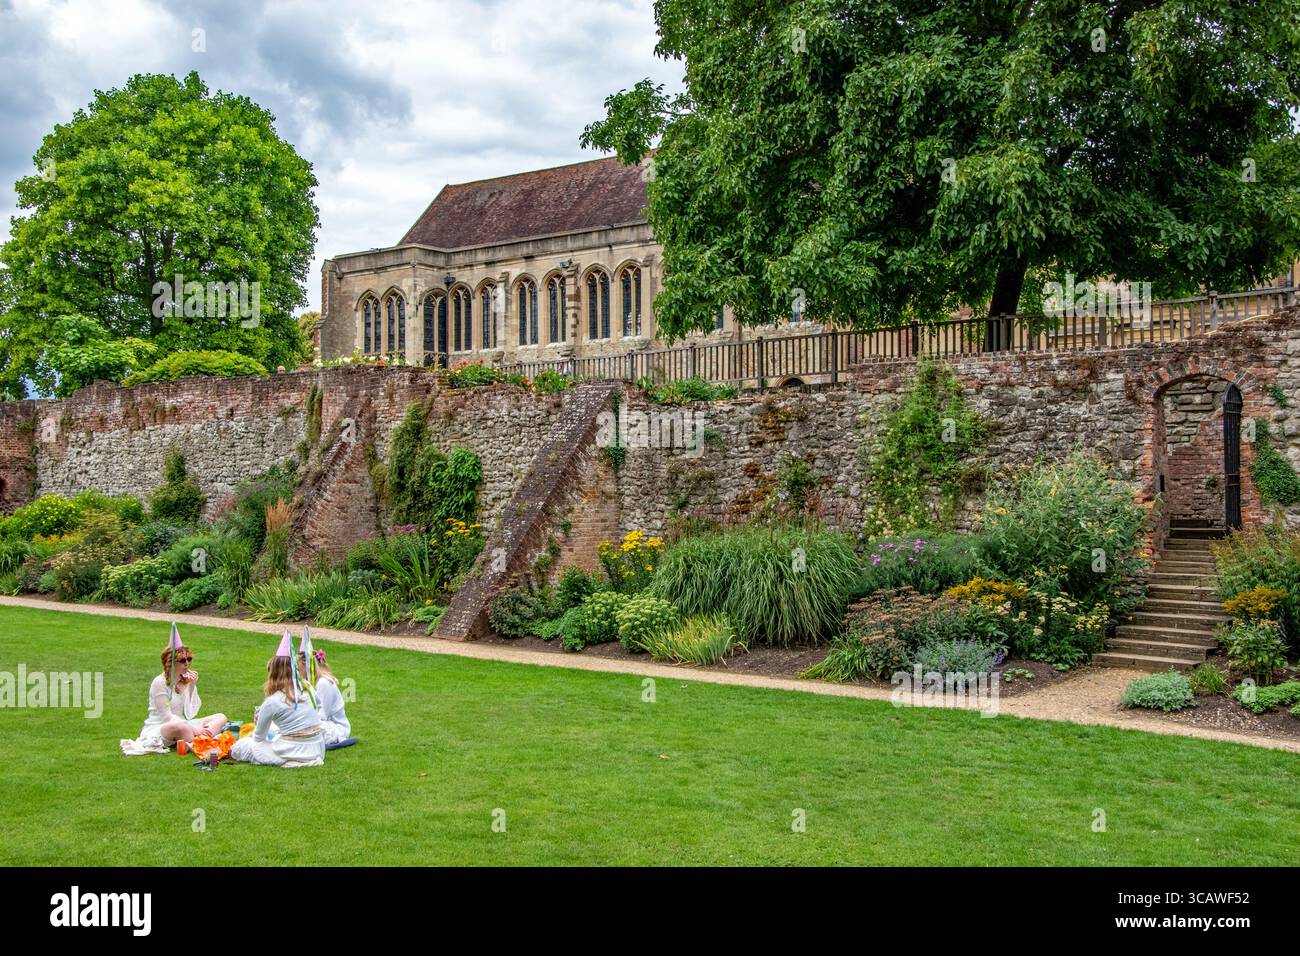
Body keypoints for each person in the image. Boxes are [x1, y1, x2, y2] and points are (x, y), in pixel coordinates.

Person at [230, 633, 325, 768]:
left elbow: (258, 738)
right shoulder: (308, 687)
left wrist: (259, 722)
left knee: (242, 746)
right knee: (274, 733)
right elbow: (317, 708)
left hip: (292, 751)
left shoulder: (273, 701)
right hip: (317, 748)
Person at [139, 625, 227, 748]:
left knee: (220, 717)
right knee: (182, 727)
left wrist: (191, 685)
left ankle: (197, 740)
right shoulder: (159, 683)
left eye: (189, 659)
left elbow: (190, 713)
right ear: (171, 663)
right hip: (163, 726)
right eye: (182, 660)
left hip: (186, 722)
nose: (187, 663)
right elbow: (167, 717)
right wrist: (193, 728)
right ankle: (199, 744)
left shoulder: (184, 679)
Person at [299, 647, 350, 745]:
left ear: (307, 667)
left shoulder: (323, 683)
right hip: (320, 723)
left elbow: (322, 715)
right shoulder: (309, 683)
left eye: (298, 666)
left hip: (335, 728)